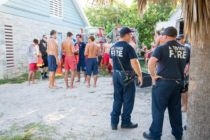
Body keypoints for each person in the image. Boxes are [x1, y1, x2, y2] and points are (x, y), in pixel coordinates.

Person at [143, 27, 190, 140]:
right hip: (177, 83)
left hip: (163, 84)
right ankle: (178, 134)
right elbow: (189, 64)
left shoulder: (161, 48)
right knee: (175, 110)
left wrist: (153, 76)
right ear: (175, 36)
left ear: (165, 36)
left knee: (158, 109)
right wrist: (184, 75)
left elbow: (151, 63)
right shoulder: (185, 48)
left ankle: (155, 135)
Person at [109, 27, 143, 130]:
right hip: (127, 75)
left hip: (116, 75)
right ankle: (126, 122)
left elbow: (111, 61)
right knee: (128, 99)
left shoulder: (113, 46)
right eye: (131, 35)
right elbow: (135, 63)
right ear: (127, 35)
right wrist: (140, 75)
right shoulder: (128, 47)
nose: (131, 37)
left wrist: (118, 69)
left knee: (117, 98)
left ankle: (114, 123)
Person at [177, 34, 191, 112]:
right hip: (183, 72)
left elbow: (188, 62)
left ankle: (186, 106)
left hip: (185, 72)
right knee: (182, 89)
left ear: (184, 39)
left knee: (185, 89)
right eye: (177, 39)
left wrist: (186, 73)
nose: (178, 41)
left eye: (179, 39)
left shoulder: (186, 47)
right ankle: (183, 104)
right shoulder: (183, 47)